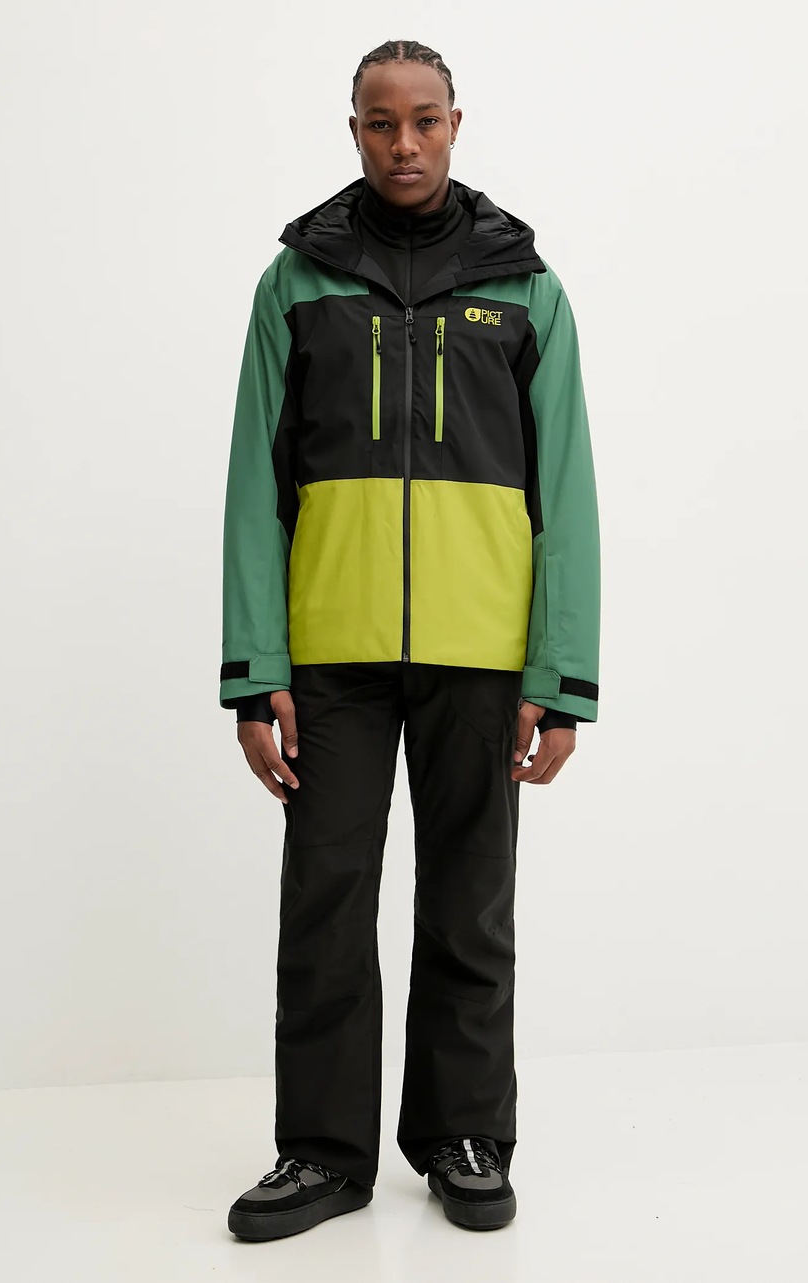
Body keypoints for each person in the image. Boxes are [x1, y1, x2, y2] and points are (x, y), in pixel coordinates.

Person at [219, 39, 601, 1241]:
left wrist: (559, 676)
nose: (404, 143)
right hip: (328, 655)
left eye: (424, 120)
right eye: (380, 122)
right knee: (324, 901)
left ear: (455, 124)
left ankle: (463, 1134)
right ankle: (321, 1152)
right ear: (354, 131)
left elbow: (565, 491)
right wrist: (256, 669)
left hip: (481, 656)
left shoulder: (525, 289)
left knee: (470, 903)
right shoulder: (296, 284)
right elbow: (254, 487)